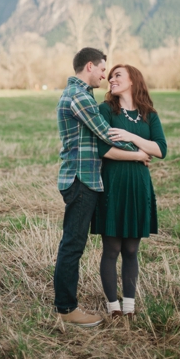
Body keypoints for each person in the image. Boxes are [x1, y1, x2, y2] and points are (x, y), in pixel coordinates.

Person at [53, 47, 149, 327]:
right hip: (81, 180)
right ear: (90, 66)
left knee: (73, 244)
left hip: (85, 179)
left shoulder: (81, 94)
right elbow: (104, 132)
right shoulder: (79, 96)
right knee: (72, 245)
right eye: (103, 69)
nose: (105, 76)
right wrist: (140, 150)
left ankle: (66, 305)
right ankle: (67, 309)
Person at [92, 64, 167, 319]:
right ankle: (113, 307)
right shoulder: (106, 110)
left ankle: (129, 307)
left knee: (132, 250)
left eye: (117, 75)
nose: (111, 79)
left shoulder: (149, 115)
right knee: (111, 249)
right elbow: (103, 150)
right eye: (110, 76)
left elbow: (160, 150)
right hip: (113, 184)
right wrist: (137, 155)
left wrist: (130, 136)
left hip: (138, 187)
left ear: (133, 80)